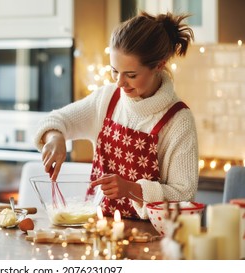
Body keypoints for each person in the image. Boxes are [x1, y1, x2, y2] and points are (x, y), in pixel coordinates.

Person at [33, 11, 199, 219]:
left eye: (131, 75)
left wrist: (132, 189)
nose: (119, 83)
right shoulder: (107, 98)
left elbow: (184, 194)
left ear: (159, 65)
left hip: (152, 238)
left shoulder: (178, 120)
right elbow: (57, 121)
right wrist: (55, 137)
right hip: (100, 229)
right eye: (114, 71)